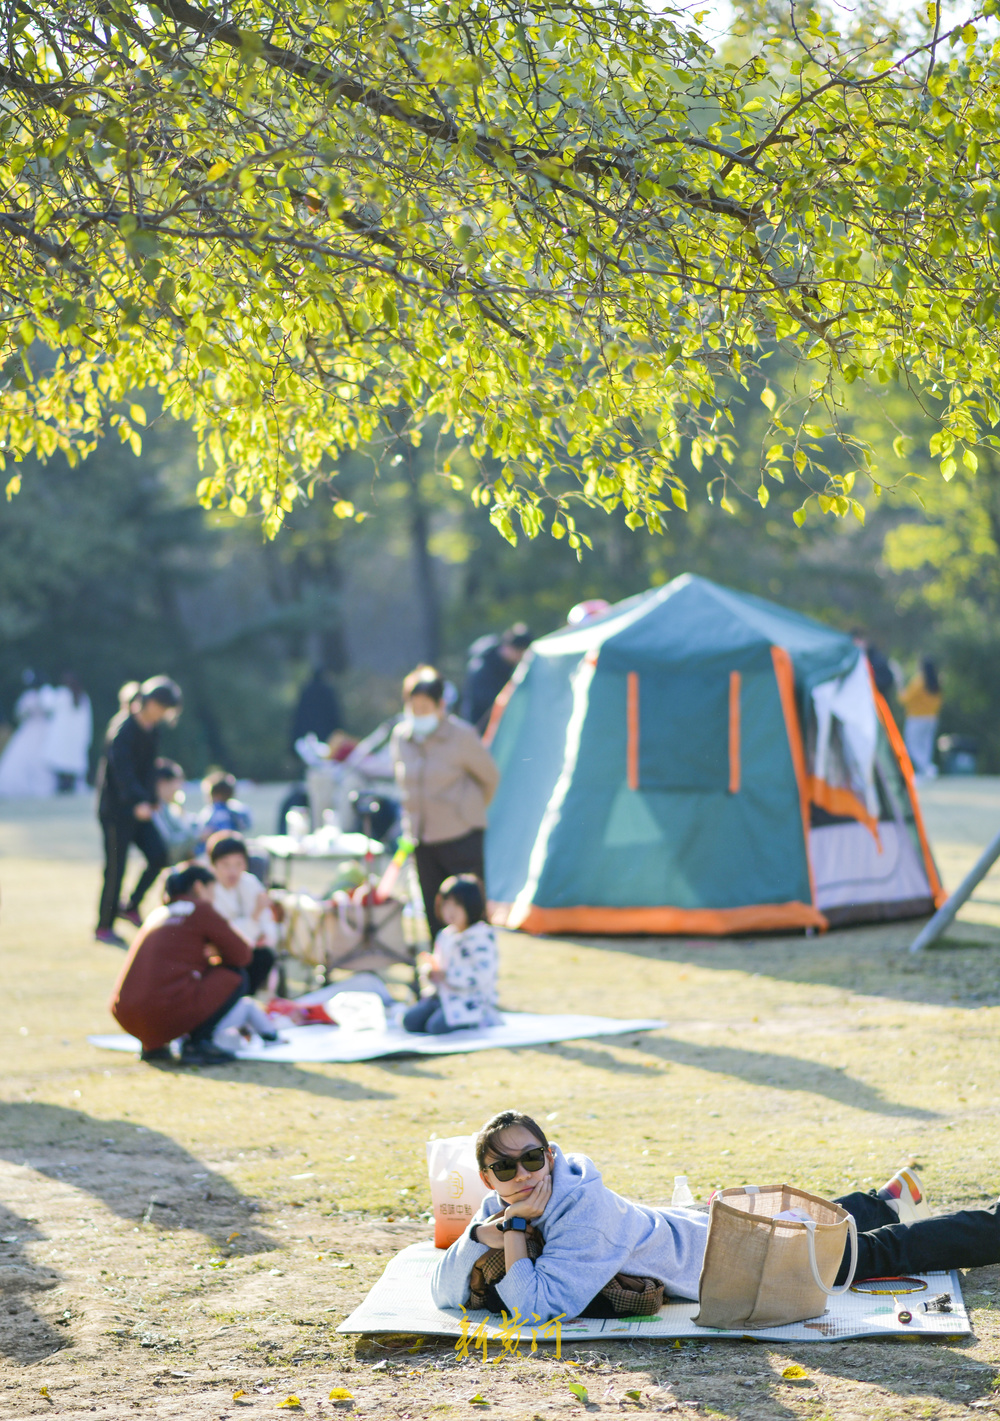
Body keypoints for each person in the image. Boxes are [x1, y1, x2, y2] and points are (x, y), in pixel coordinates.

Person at [431, 1110, 1000, 1322]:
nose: (523, 1175)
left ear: (550, 1155)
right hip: (708, 1232)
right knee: (844, 1233)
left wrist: (512, 1236)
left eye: (532, 1158)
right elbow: (441, 1288)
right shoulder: (503, 1207)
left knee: (878, 1255)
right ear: (488, 1180)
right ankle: (879, 1198)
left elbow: (539, 1308)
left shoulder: (584, 1217)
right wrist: (491, 1229)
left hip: (745, 1259)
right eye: (505, 1170)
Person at [108, 863, 267, 1066]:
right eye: (212, 891)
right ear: (199, 887)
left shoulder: (158, 913)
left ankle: (154, 1047)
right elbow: (242, 955)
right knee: (236, 975)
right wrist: (216, 954)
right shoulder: (199, 909)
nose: (214, 897)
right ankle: (198, 1043)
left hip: (126, 1013)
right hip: (162, 1012)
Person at [390, 667, 500, 939]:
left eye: (425, 707)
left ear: (440, 705)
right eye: (413, 707)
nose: (419, 713)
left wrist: (467, 811)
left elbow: (490, 778)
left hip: (460, 835)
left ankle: (476, 967)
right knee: (434, 908)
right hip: (421, 838)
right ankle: (440, 969)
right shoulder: (401, 737)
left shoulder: (461, 736)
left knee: (468, 909)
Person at [95, 675, 182, 946]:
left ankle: (130, 906)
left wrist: (153, 798)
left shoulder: (152, 729)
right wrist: (136, 802)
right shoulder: (123, 729)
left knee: (159, 855)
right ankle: (103, 926)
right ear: (152, 703)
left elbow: (149, 768)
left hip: (142, 807)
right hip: (117, 811)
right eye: (164, 707)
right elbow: (122, 772)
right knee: (116, 868)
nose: (165, 713)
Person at [403, 875, 499, 1035]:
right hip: (442, 997)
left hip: (469, 1000)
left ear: (471, 905)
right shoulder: (446, 935)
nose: (450, 911)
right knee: (410, 1021)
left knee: (435, 1027)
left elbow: (482, 976)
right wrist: (430, 973)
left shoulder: (481, 937)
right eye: (446, 905)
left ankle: (478, 1020)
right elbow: (438, 964)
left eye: (457, 905)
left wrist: (448, 976)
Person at [206, 831, 279, 955]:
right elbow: (226, 935)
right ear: (214, 865)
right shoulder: (209, 890)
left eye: (238, 864)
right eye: (226, 865)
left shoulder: (249, 882)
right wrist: (255, 915)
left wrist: (265, 937)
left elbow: (267, 921)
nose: (232, 871)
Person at [461, 625, 532, 732]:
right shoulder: (483, 666)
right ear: (510, 648)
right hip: (478, 725)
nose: (521, 657)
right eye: (520, 652)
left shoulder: (510, 666)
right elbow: (481, 701)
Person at [0, 670, 55, 797]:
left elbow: (20, 713)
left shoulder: (42, 694)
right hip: (37, 728)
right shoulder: (36, 695)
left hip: (37, 729)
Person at [41, 671, 93, 794]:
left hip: (61, 741)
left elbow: (47, 703)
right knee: (71, 770)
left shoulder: (62, 694)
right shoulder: (83, 697)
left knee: (61, 771)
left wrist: (44, 687)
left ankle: (63, 791)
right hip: (75, 741)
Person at [900, 657, 943, 778]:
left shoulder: (919, 681)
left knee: (911, 745)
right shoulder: (936, 681)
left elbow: (905, 699)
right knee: (926, 745)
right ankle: (926, 769)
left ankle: (926, 768)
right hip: (932, 718)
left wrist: (899, 683)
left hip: (916, 718)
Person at [152, 759, 198, 864]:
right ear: (162, 783)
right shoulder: (155, 810)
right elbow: (170, 845)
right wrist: (198, 836)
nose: (180, 788)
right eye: (178, 782)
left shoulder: (167, 807)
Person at [290, 666, 343, 752]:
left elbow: (299, 716)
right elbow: (334, 714)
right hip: (326, 733)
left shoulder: (306, 691)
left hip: (308, 731)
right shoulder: (328, 691)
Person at [196, 771, 252, 843]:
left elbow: (202, 833)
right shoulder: (239, 810)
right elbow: (247, 825)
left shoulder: (211, 812)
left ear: (217, 795)